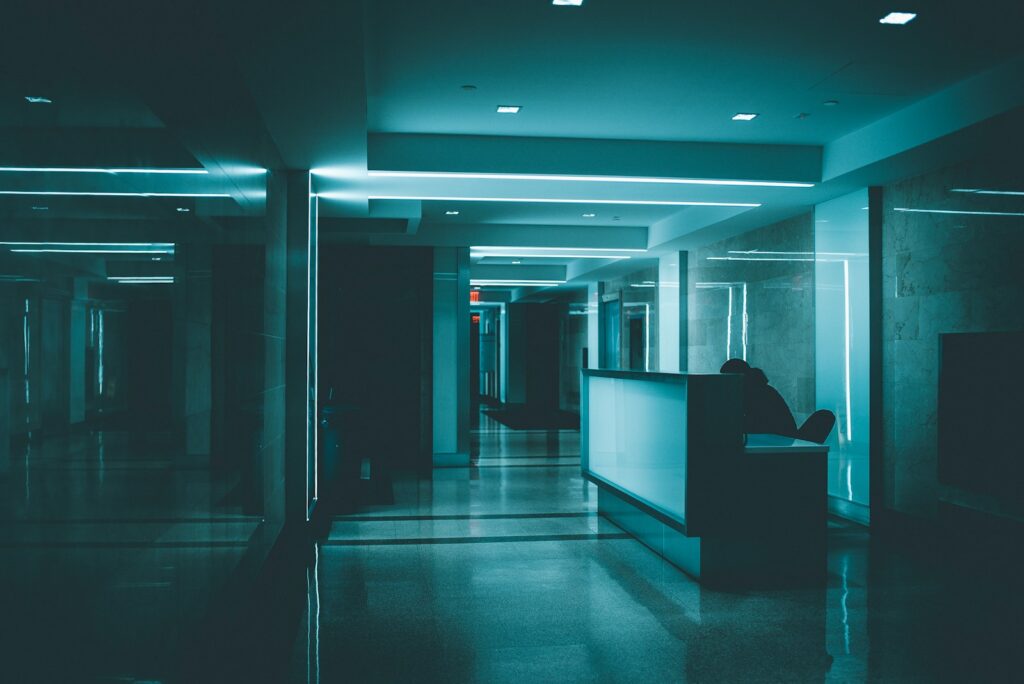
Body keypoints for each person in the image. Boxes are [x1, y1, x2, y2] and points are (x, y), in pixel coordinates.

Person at [719, 359, 798, 437]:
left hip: (776, 440)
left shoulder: (755, 394)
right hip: (779, 439)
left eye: (726, 379)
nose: (724, 383)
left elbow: (753, 424)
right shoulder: (761, 390)